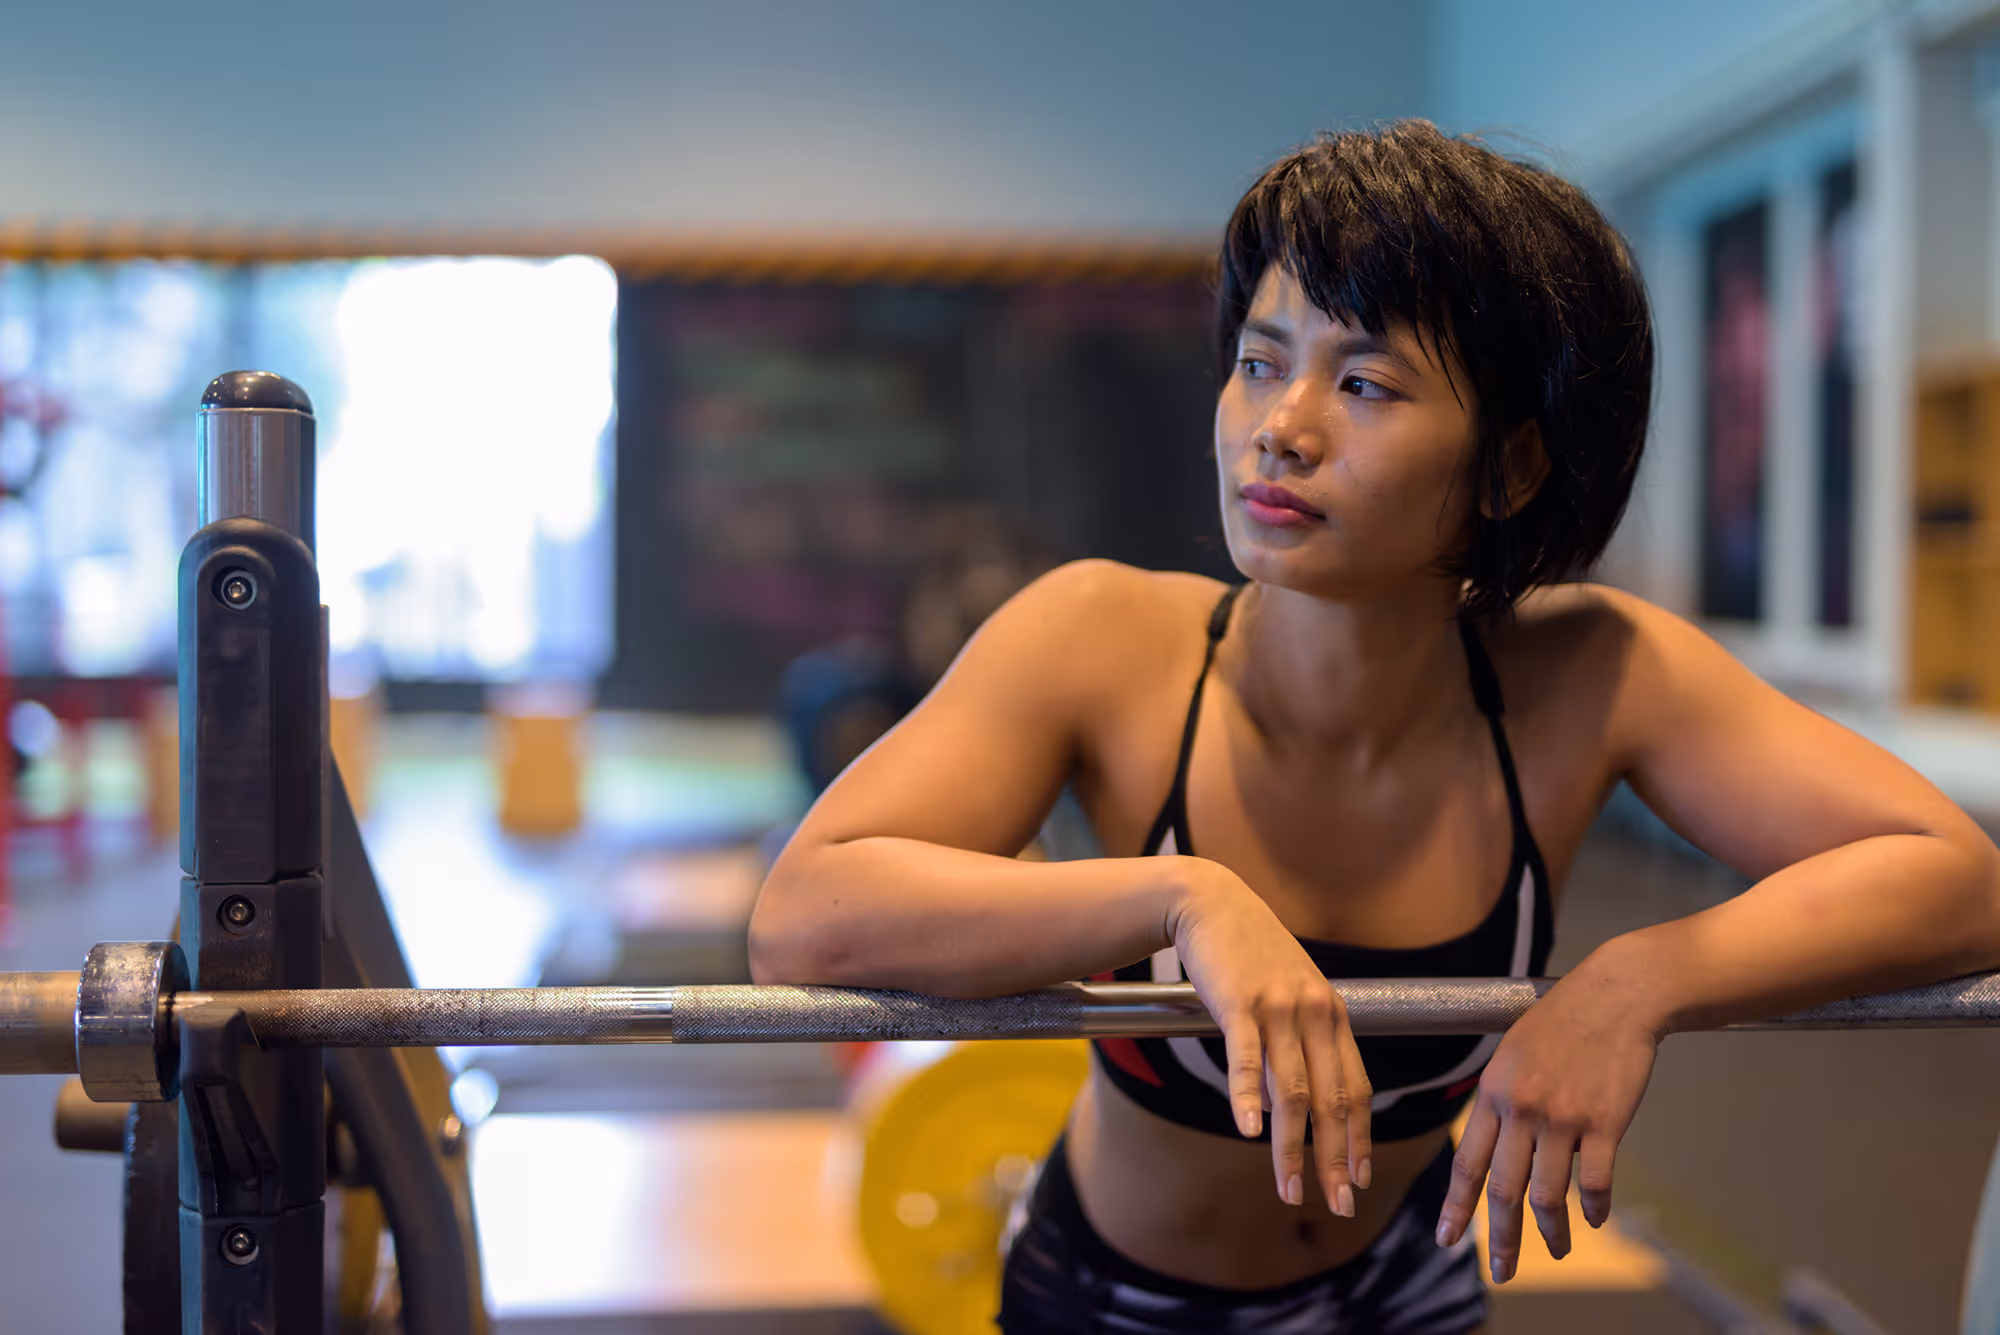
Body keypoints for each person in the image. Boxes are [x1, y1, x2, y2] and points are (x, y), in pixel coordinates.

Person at [748, 121, 2000, 1333]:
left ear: (1509, 469)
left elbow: (1957, 878)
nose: (1278, 426)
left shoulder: (1592, 671)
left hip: (1411, 1289)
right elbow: (802, 915)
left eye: (1362, 382)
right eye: (1257, 359)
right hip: (1120, 1305)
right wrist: (1179, 899)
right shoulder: (1097, 638)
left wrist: (1636, 981)